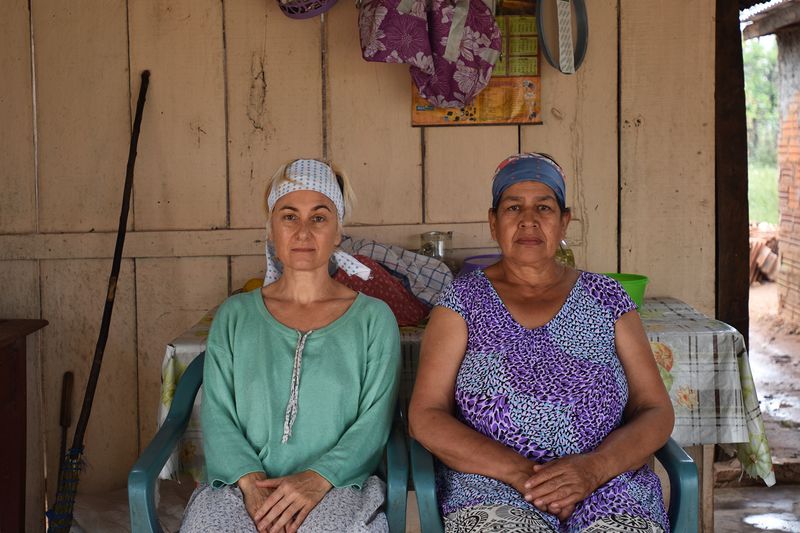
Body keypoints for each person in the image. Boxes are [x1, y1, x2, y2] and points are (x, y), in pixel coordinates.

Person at [408, 153, 675, 533]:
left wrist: (593, 468)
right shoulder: (461, 303)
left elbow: (655, 409)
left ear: (564, 220)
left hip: (607, 484)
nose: (528, 220)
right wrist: (522, 474)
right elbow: (426, 416)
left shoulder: (608, 298)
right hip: (493, 487)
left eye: (544, 208)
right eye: (513, 207)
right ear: (493, 222)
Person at [181, 159, 401, 533]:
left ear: (337, 231)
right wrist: (251, 485)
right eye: (289, 216)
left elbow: (374, 423)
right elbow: (217, 413)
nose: (303, 231)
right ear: (271, 230)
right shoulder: (235, 316)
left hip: (338, 485)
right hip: (241, 485)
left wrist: (316, 479)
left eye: (319, 217)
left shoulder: (373, 319)